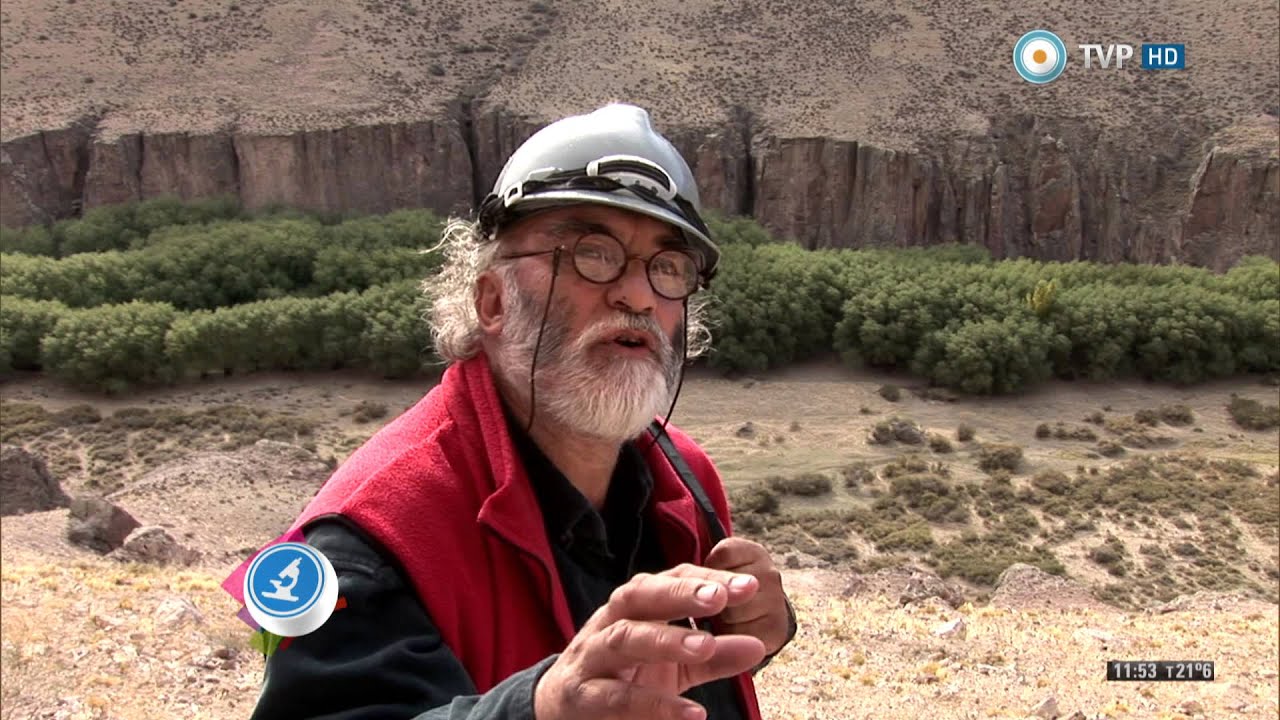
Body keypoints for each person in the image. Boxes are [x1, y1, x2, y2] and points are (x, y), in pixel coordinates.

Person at [250, 103, 797, 720]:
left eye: (668, 267)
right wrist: (536, 711)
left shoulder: (683, 476)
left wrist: (758, 625)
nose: (639, 294)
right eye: (593, 252)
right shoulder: (362, 534)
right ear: (492, 300)